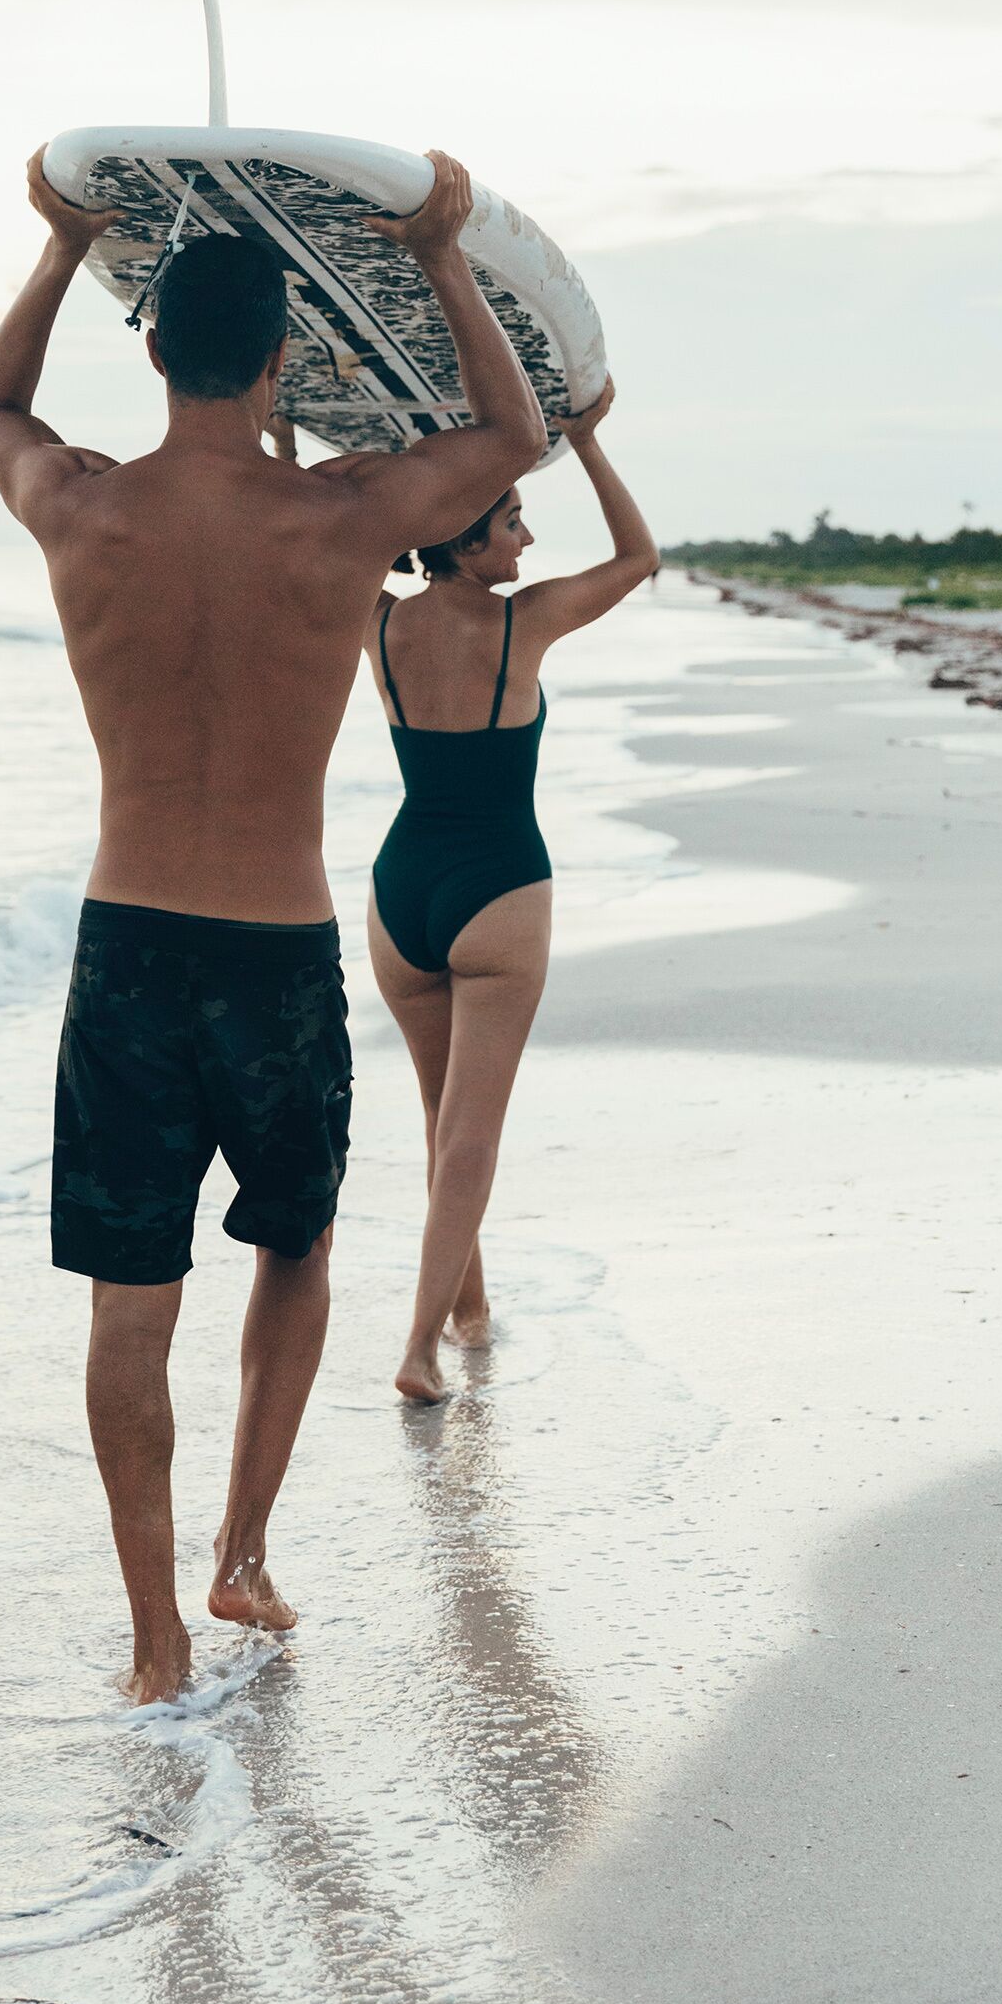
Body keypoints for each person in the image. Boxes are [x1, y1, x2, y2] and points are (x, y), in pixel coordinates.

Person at [0, 146, 545, 1702]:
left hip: (129, 952)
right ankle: (242, 1552)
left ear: (154, 345)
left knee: (130, 1298)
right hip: (277, 956)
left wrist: (58, 246)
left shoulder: (79, 506)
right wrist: (437, 254)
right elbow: (511, 439)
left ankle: (154, 1639)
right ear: (285, 356)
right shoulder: (343, 519)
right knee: (296, 1244)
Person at [364, 380, 657, 1401]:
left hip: (399, 894)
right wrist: (586, 442)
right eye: (513, 521)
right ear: (464, 537)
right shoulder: (522, 624)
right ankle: (417, 1347)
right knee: (470, 1136)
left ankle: (470, 1310)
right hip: (498, 889)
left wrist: (282, 446)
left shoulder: (375, 620)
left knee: (438, 1119)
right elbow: (638, 559)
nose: (527, 540)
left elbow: (310, 540)